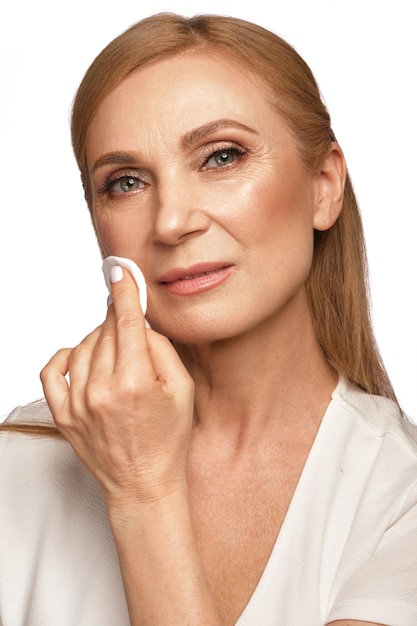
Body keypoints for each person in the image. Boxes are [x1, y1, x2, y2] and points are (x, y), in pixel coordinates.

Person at [0, 12, 416, 626]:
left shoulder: (400, 495)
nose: (171, 222)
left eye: (221, 156)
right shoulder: (17, 467)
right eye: (126, 181)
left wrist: (144, 495)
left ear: (324, 186)